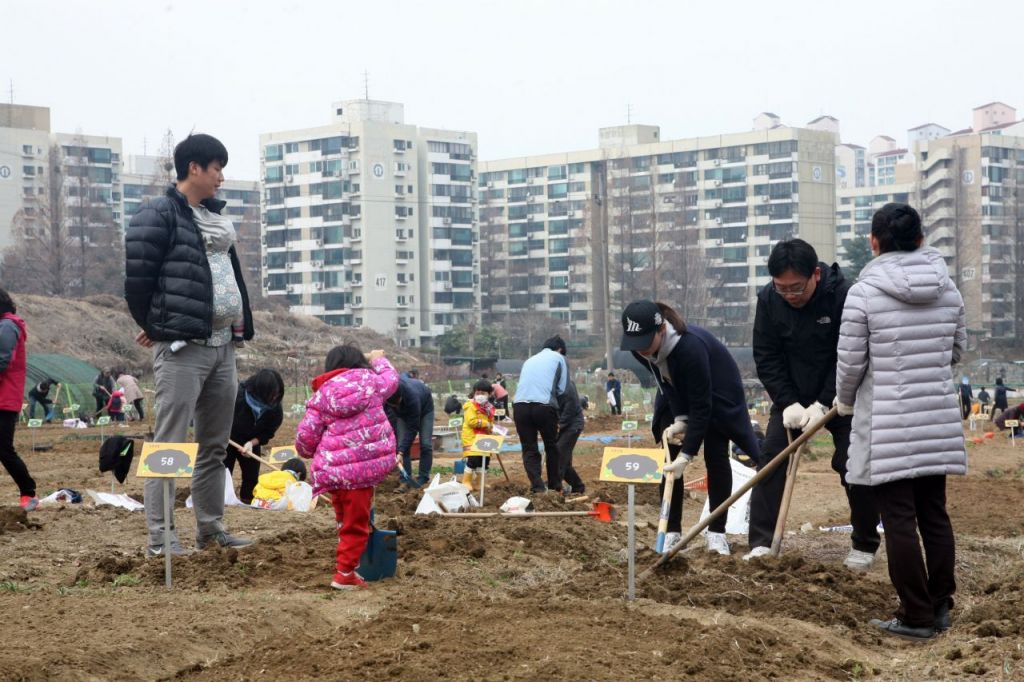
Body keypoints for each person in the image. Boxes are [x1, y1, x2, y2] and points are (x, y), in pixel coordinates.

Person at [836, 203, 966, 641]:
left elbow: (851, 364)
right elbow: (956, 349)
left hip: (888, 424)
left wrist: (844, 402)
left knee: (898, 520)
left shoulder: (863, 293)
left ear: (874, 242)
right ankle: (940, 604)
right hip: (936, 419)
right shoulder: (948, 288)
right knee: (934, 513)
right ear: (921, 239)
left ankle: (916, 615)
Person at [125, 133, 255, 557]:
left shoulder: (215, 218)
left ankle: (211, 528)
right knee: (170, 445)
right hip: (183, 350)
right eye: (216, 168)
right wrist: (157, 325)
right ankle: (162, 538)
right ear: (194, 168)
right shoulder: (159, 214)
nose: (221, 177)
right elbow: (138, 280)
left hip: (223, 345)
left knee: (214, 446)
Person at [744, 238, 880, 568]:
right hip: (792, 396)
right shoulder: (768, 300)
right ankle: (761, 543)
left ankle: (864, 543)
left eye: (796, 287)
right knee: (771, 460)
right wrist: (788, 402)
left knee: (852, 462)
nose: (789, 295)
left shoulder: (844, 296)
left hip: (842, 398)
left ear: (816, 274)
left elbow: (848, 355)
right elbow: (767, 356)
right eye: (782, 288)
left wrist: (824, 402)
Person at [622, 300, 761, 556]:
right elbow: (664, 379)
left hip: (717, 393)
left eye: (645, 342)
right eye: (636, 343)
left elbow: (702, 406)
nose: (641, 349)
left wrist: (687, 455)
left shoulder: (690, 347)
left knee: (716, 457)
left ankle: (717, 533)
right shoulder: (638, 349)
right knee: (669, 460)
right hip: (676, 393)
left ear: (661, 329)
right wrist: (680, 419)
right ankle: (671, 532)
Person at [295, 345, 399, 590]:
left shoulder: (322, 394)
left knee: (345, 519)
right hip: (361, 472)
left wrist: (310, 452)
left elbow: (305, 437)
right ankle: (345, 573)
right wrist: (379, 360)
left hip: (333, 470)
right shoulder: (371, 382)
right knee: (357, 524)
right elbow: (392, 379)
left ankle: (347, 562)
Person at [512, 335, 569, 493]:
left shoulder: (529, 360)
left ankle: (537, 486)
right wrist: (559, 411)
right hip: (544, 406)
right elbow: (563, 389)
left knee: (529, 447)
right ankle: (554, 486)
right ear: (560, 349)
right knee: (551, 446)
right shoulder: (559, 358)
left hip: (520, 406)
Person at [0, 289, 38, 510]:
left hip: (4, 398)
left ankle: (28, 493)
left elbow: (2, 361)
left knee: (4, 449)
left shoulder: (7, 326)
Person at [226, 369, 285, 504]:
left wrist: (251, 443)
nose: (274, 399)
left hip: (251, 443)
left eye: (277, 395)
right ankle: (222, 502)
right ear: (260, 391)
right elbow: (220, 418)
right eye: (271, 395)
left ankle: (248, 502)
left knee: (251, 476)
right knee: (224, 472)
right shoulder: (237, 397)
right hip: (228, 440)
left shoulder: (275, 409)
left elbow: (267, 432)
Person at [385, 374, 435, 487]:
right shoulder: (386, 396)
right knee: (401, 443)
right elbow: (388, 421)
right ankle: (405, 478)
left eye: (396, 404)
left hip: (425, 409)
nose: (395, 407)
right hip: (402, 414)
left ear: (401, 398)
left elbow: (413, 428)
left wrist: (400, 452)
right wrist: (396, 445)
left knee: (425, 444)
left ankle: (423, 477)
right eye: (393, 406)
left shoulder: (412, 398)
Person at [460, 379, 495, 491]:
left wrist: (491, 428)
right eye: (477, 393)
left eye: (483, 393)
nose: (480, 396)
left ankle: (480, 482)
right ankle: (466, 481)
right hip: (471, 437)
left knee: (484, 460)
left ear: (489, 394)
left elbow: (491, 421)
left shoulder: (489, 408)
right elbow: (471, 421)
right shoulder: (470, 406)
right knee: (473, 459)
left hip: (484, 437)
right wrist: (486, 424)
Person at [556, 378, 586, 495]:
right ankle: (578, 486)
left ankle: (556, 487)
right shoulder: (548, 384)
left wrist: (560, 424)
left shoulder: (567, 384)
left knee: (559, 454)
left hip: (573, 424)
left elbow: (571, 407)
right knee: (564, 461)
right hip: (562, 424)